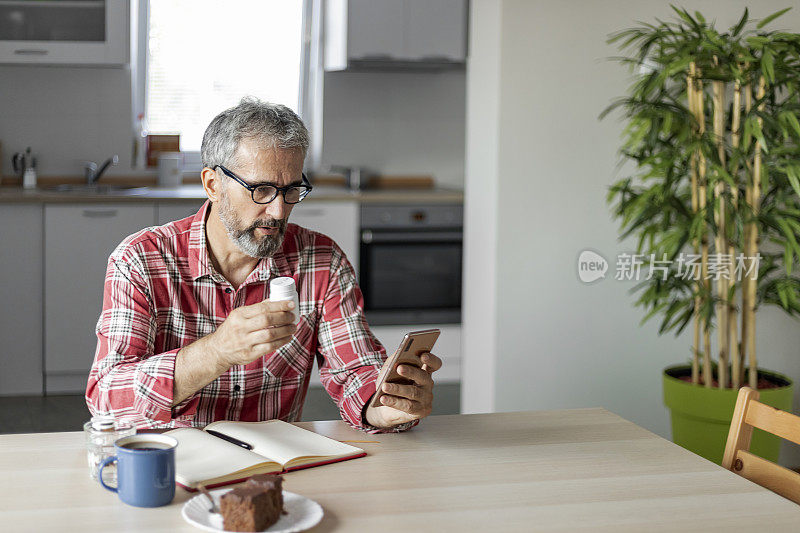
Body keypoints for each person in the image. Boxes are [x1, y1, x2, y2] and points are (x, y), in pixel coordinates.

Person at [85, 97, 442, 433]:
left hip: (272, 467)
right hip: (171, 464)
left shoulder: (321, 261)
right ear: (213, 184)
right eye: (261, 190)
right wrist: (217, 351)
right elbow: (106, 398)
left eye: (290, 190)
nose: (278, 211)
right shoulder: (141, 259)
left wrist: (384, 408)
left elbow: (355, 371)